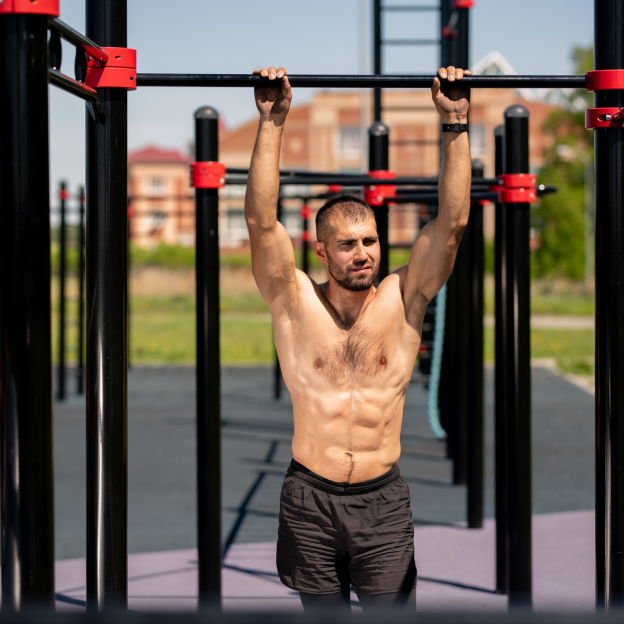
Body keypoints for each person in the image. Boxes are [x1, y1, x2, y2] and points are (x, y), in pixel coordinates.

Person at [244, 65, 471, 613]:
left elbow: (452, 224)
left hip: (381, 499)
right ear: (322, 251)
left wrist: (455, 122)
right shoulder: (293, 302)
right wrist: (272, 122)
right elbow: (261, 223)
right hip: (310, 497)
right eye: (347, 245)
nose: (363, 253)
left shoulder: (403, 299)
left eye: (370, 241)